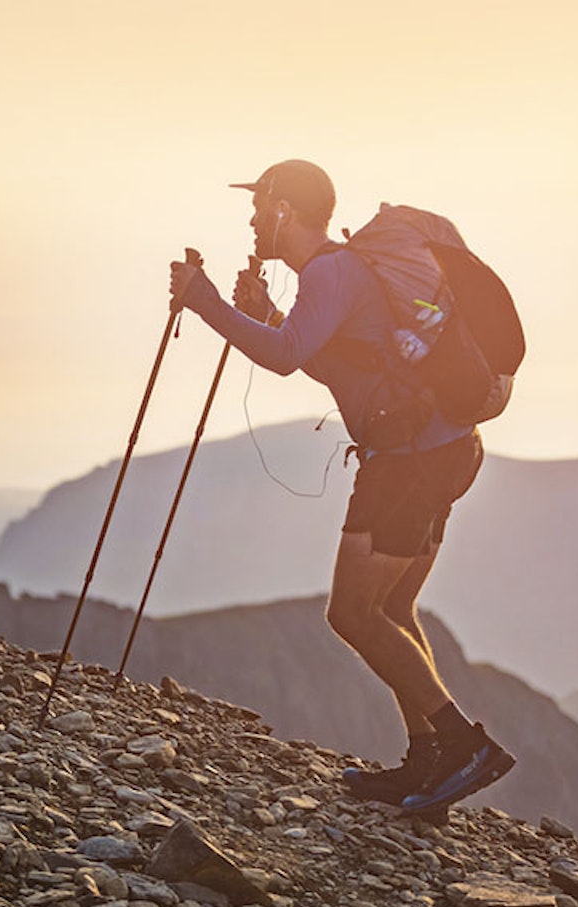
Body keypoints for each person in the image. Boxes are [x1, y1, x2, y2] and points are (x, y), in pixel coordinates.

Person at [168, 159, 514, 814]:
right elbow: (335, 360)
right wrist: (265, 314)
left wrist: (204, 301)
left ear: (282, 212)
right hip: (444, 451)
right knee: (394, 609)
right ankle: (427, 761)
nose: (250, 219)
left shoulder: (331, 270)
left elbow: (283, 355)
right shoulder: (339, 273)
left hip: (406, 463)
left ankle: (464, 746)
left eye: (259, 206)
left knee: (352, 613)